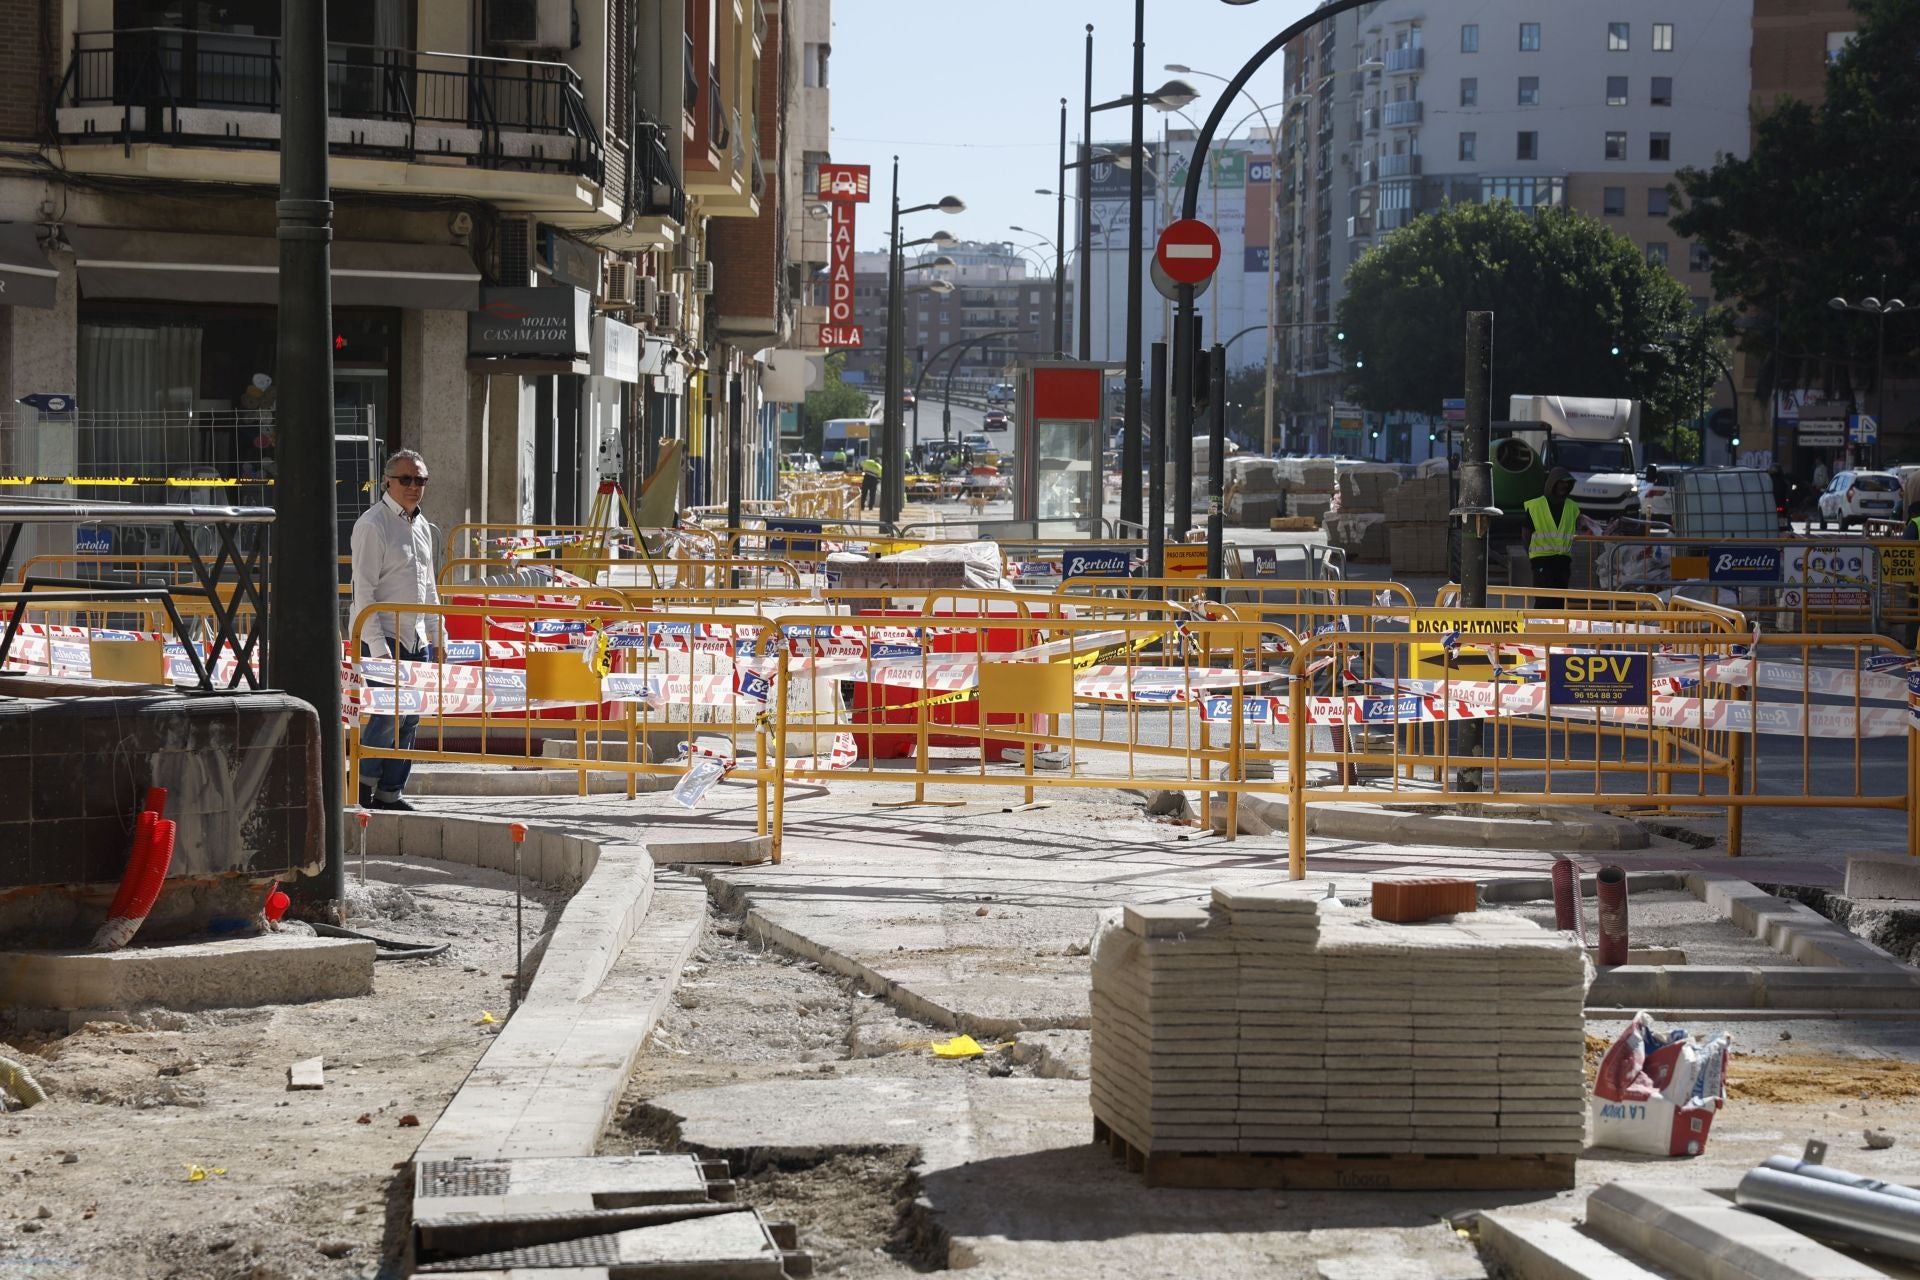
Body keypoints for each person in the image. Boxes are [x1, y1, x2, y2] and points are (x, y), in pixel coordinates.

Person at [350, 449, 442, 812]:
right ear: (387, 481)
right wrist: (376, 645)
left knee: (410, 716)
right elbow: (363, 589)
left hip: (416, 636)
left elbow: (429, 585)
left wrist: (439, 634)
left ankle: (391, 791)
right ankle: (360, 786)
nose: (414, 487)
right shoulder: (373, 524)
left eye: (420, 480)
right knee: (388, 715)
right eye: (406, 479)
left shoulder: (422, 525)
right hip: (385, 635)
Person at [1524, 467, 1581, 600]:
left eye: (1567, 483)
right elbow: (1525, 535)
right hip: (1541, 561)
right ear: (1552, 484)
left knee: (1559, 603)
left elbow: (1578, 527)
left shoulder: (1572, 507)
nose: (1565, 486)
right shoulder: (1535, 506)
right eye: (1561, 482)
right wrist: (1532, 557)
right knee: (1543, 601)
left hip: (1563, 562)